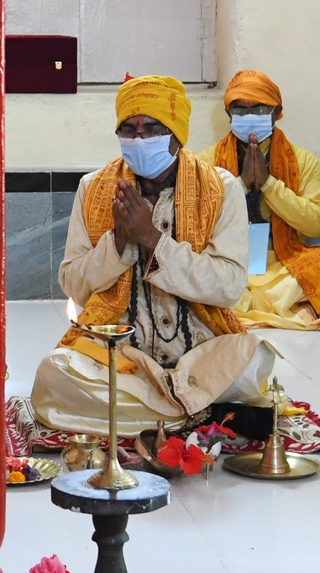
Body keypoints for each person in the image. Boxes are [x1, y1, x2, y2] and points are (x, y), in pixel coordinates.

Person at [30, 75, 274, 436]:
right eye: (128, 129)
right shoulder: (94, 187)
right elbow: (74, 284)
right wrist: (117, 242)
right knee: (54, 375)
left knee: (254, 359)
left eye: (152, 128)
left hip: (199, 351)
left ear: (177, 134)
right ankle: (194, 414)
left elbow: (229, 286)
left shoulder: (223, 188)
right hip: (122, 354)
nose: (139, 138)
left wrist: (151, 239)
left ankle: (145, 417)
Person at [208, 69, 320, 330]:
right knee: (198, 273)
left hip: (281, 262)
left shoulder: (303, 161)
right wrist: (241, 185)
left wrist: (268, 184)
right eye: (240, 110)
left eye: (258, 109)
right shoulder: (207, 161)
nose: (249, 116)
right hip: (229, 259)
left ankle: (248, 305)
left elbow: (315, 225)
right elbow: (201, 221)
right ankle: (273, 307)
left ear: (277, 113)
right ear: (228, 115)